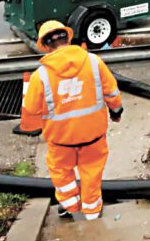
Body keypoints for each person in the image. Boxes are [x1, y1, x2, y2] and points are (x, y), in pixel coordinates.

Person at [22, 20, 123, 220]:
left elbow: (31, 109)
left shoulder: (39, 76)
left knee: (62, 175)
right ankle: (92, 214)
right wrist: (116, 111)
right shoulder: (94, 61)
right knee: (92, 175)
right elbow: (111, 92)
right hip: (92, 137)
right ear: (68, 38)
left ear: (46, 46)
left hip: (61, 141)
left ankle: (69, 206)